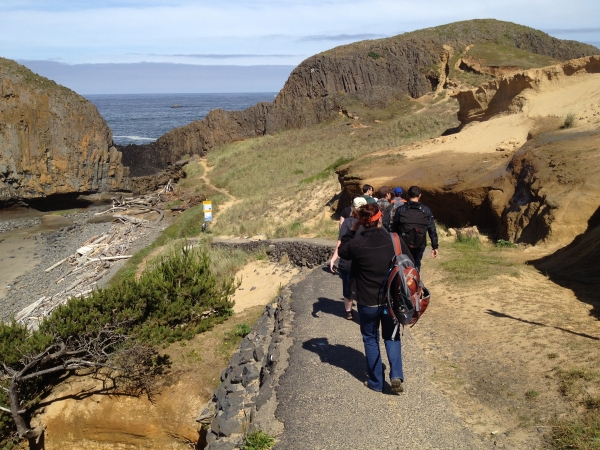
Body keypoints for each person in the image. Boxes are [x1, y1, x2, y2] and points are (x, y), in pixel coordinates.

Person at [338, 203, 415, 393]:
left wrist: (352, 229)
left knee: (370, 339)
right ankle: (396, 375)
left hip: (367, 301)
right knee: (392, 336)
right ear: (381, 218)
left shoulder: (357, 243)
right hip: (391, 300)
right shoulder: (394, 240)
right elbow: (410, 262)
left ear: (361, 222)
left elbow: (342, 251)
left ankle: (376, 382)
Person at [330, 197, 367, 319]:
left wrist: (333, 259)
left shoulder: (348, 222)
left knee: (347, 285)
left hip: (348, 260)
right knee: (363, 285)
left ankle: (348, 311)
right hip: (364, 260)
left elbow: (341, 242)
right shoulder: (370, 222)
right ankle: (363, 311)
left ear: (353, 207)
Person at [392, 185, 439, 271]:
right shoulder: (426, 210)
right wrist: (435, 246)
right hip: (420, 244)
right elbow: (432, 229)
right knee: (416, 265)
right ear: (420, 195)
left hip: (404, 243)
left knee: (404, 265)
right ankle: (415, 281)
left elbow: (394, 228)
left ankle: (404, 282)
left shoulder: (400, 210)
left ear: (407, 195)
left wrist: (393, 244)